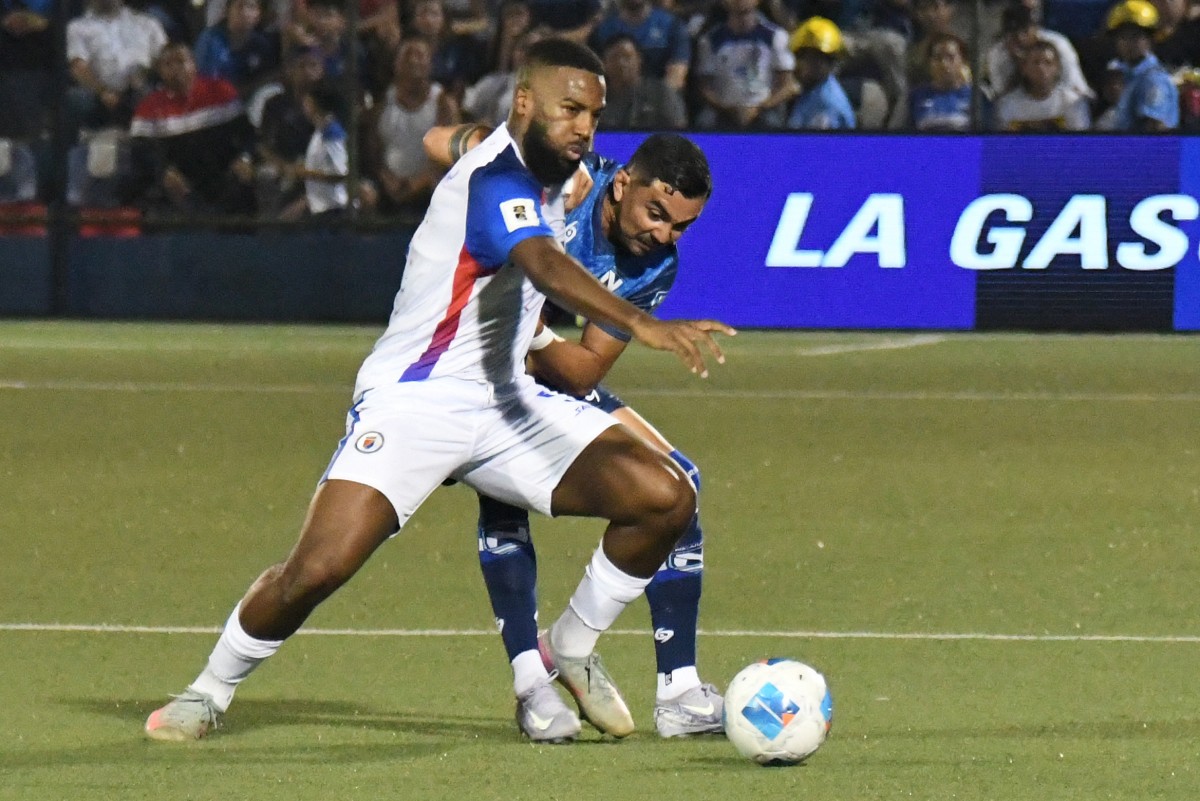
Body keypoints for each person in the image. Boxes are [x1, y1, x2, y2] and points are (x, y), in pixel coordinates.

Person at [143, 37, 734, 744]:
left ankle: (568, 647)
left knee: (667, 495)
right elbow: (542, 263)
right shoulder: (497, 179)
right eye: (570, 109)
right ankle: (210, 688)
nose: (584, 128)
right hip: (416, 397)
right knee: (317, 567)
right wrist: (643, 324)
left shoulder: (559, 176)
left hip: (507, 400)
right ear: (525, 103)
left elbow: (449, 142)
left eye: (595, 116)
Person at [423, 123, 721, 740]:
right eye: (656, 212)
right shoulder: (563, 182)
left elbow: (583, 370)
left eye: (680, 226)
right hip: (455, 368)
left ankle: (678, 692)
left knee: (678, 485)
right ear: (621, 186)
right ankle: (531, 682)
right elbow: (433, 141)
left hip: (534, 365)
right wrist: (484, 146)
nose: (663, 234)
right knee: (503, 497)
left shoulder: (655, 263)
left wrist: (528, 336)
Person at [127, 42, 256, 215]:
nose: (175, 69)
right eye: (168, 64)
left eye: (181, 62)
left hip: (224, 176)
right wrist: (164, 172)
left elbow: (248, 134)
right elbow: (141, 153)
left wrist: (245, 158)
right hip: (178, 185)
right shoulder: (148, 107)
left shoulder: (221, 92)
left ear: (194, 64)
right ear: (160, 70)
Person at [365, 35, 460, 219]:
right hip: (389, 186)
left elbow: (446, 155)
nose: (414, 60)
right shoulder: (383, 104)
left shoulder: (442, 103)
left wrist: (415, 184)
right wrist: (388, 179)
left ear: (430, 64)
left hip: (429, 186)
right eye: (408, 54)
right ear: (396, 64)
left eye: (420, 55)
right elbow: (373, 152)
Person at [66, 0, 168, 138]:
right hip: (101, 93)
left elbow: (165, 58)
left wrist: (144, 74)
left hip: (143, 86)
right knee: (76, 98)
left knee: (151, 92)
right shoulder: (78, 27)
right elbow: (78, 66)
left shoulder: (147, 23)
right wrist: (103, 92)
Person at [694, 0, 797, 129]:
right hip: (724, 110)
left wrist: (760, 108)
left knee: (773, 123)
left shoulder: (775, 36)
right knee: (705, 122)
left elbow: (788, 85)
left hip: (764, 110)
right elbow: (705, 86)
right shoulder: (710, 40)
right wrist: (726, 109)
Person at [981, 3, 1091, 102]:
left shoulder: (1058, 44)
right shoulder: (998, 53)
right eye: (1013, 33)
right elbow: (1002, 97)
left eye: (1024, 31)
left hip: (1062, 102)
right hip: (1023, 107)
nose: (1020, 38)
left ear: (1035, 29)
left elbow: (1073, 88)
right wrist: (1020, 64)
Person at [1105, 0, 1178, 131]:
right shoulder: (1124, 75)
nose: (1128, 43)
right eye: (1123, 37)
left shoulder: (1153, 78)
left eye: (1136, 36)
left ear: (1150, 39)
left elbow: (1155, 128)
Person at [589, 0, 692, 92]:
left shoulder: (672, 26)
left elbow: (677, 76)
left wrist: (649, 102)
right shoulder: (602, 30)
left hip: (659, 103)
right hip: (615, 103)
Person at [992, 38, 1091, 129]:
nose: (1041, 68)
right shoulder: (1007, 104)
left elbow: (1080, 141)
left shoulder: (1072, 102)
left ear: (1057, 68)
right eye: (1036, 62)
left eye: (1048, 63)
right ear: (1024, 68)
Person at [596, 34, 687, 129]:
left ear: (639, 60)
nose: (621, 63)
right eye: (614, 57)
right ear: (604, 63)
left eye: (627, 57)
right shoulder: (596, 98)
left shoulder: (661, 94)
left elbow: (679, 130)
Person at [193, 0, 281, 98]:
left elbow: (268, 80)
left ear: (258, 15)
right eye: (239, 6)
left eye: (251, 7)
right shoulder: (210, 40)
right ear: (227, 11)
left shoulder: (261, 45)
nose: (244, 12)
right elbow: (208, 84)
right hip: (214, 103)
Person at [786, 15, 856, 129]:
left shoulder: (828, 104)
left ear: (830, 64)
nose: (807, 66)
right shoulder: (810, 91)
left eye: (817, 60)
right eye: (805, 58)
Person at [907, 32, 974, 130]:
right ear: (929, 63)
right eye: (938, 58)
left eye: (951, 57)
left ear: (963, 61)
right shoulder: (914, 97)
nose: (944, 64)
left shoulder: (976, 97)